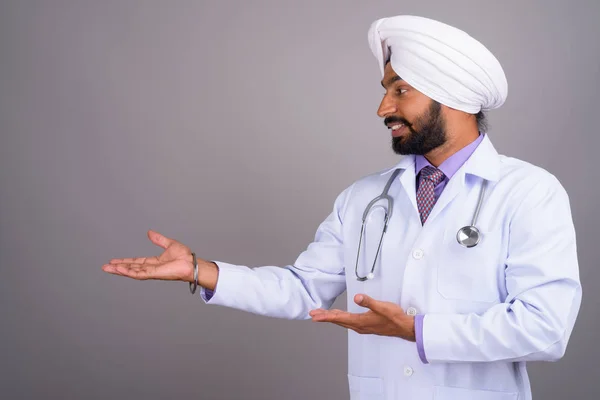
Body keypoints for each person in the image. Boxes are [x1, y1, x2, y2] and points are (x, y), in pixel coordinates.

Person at [102, 15, 582, 400]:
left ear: (451, 97)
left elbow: (545, 329)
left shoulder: (529, 193)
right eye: (385, 89)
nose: (383, 109)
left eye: (400, 90)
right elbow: (304, 290)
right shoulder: (363, 198)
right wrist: (200, 271)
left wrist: (417, 331)